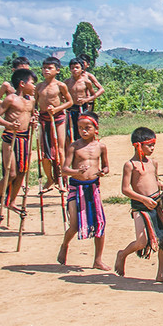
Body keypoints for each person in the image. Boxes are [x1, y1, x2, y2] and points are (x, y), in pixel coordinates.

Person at [114, 127, 163, 281]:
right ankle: (122, 254)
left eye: (154, 145)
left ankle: (161, 273)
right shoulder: (130, 165)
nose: (152, 148)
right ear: (137, 145)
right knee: (142, 241)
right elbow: (125, 189)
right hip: (140, 207)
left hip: (156, 204)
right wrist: (143, 199)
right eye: (149, 145)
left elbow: (154, 182)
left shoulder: (153, 163)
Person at [57, 111, 109, 270]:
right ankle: (64, 245)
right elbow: (64, 169)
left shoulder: (101, 146)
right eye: (80, 128)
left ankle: (97, 260)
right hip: (76, 187)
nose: (84, 131)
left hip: (93, 187)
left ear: (96, 128)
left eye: (87, 127)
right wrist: (76, 172)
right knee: (74, 224)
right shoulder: (74, 146)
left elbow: (106, 166)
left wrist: (103, 171)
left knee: (100, 224)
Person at [0, 68, 37, 217]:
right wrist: (9, 125)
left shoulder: (32, 100)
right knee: (11, 174)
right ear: (22, 84)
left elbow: (30, 116)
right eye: (32, 83)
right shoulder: (10, 99)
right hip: (10, 138)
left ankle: (11, 201)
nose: (34, 86)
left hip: (24, 138)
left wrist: (33, 122)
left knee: (22, 172)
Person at [36, 56, 73, 190]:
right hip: (44, 119)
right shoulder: (39, 86)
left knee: (60, 150)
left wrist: (57, 109)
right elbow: (35, 104)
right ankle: (49, 178)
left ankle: (63, 179)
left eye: (49, 68)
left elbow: (70, 102)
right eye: (44, 68)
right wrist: (34, 114)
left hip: (58, 119)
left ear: (57, 70)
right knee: (45, 153)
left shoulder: (60, 85)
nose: (46, 70)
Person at [64, 58, 99, 142]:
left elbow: (93, 95)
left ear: (82, 69)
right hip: (70, 109)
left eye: (77, 67)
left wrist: (86, 100)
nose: (74, 70)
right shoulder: (66, 82)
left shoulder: (86, 82)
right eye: (72, 68)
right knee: (70, 131)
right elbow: (62, 94)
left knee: (83, 128)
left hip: (82, 108)